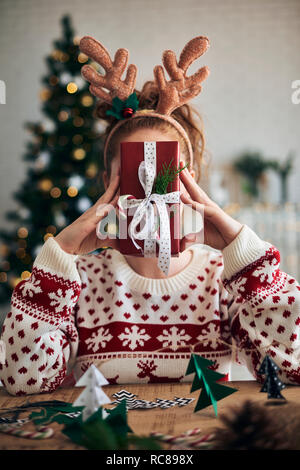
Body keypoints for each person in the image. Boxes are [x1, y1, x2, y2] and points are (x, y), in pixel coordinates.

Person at [0, 36, 299, 396]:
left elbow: (292, 367)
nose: (150, 192)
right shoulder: (79, 282)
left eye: (166, 174)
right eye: (134, 174)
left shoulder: (223, 279)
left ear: (191, 181)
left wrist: (242, 252)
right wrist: (58, 256)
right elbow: (20, 380)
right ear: (109, 182)